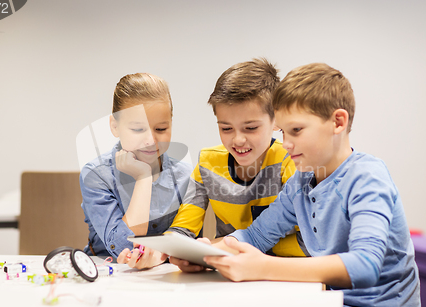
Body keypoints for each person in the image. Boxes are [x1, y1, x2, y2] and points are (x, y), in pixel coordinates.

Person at [204, 63, 420, 307]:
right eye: (282, 132)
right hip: (326, 306)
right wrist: (205, 254)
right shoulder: (301, 182)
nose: (285, 144)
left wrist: (263, 267)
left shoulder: (367, 176)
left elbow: (365, 265)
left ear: (337, 122)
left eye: (296, 131)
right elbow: (257, 235)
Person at [126, 58, 305, 270]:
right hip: (226, 274)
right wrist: (166, 253)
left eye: (250, 128)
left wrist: (219, 247)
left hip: (286, 275)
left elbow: (310, 241)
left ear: (276, 120)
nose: (238, 140)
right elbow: (183, 228)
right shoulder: (208, 163)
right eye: (226, 128)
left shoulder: (292, 161)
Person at [80, 73, 192, 268]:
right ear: (115, 126)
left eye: (160, 129)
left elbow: (185, 244)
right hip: (108, 271)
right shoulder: (96, 175)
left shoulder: (186, 176)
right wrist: (143, 178)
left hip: (165, 275)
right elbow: (124, 246)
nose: (150, 141)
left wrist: (160, 256)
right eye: (138, 130)